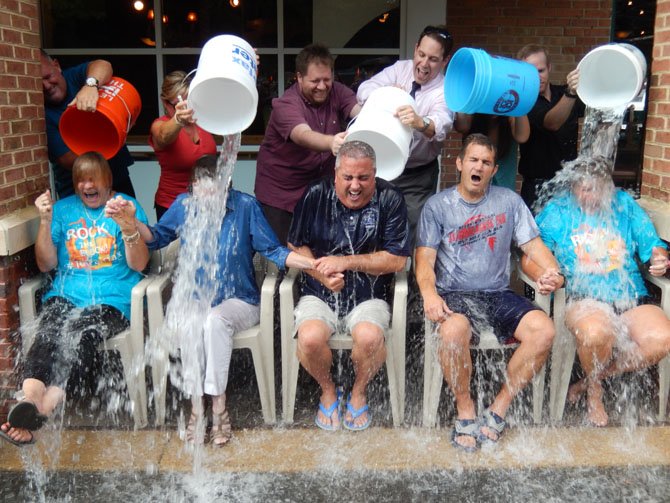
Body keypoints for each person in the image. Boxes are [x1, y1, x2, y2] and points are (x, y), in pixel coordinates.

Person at [109, 155, 315, 446]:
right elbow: (155, 238)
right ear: (192, 186)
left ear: (227, 184)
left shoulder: (245, 207)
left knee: (214, 319)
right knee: (195, 320)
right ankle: (196, 408)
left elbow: (274, 250)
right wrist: (130, 224)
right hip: (195, 301)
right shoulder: (184, 206)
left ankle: (218, 405)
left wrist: (314, 265)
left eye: (213, 188)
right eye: (199, 187)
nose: (205, 195)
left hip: (239, 300)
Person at [415, 134, 561, 452]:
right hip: (454, 294)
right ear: (459, 163)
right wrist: (429, 294)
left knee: (544, 331)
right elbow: (424, 260)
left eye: (486, 162)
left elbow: (533, 245)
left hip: (497, 293)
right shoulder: (437, 206)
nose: (478, 166)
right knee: (452, 332)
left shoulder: (509, 201)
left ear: (494, 170)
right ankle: (465, 407)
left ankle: (499, 408)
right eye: (473, 160)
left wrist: (554, 272)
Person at [0, 152, 149, 447]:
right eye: (81, 179)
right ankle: (30, 398)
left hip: (112, 298)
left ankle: (46, 405)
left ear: (108, 182)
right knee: (48, 330)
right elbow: (44, 265)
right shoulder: (63, 210)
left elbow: (140, 264)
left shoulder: (125, 206)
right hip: (65, 295)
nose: (87, 185)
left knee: (85, 337)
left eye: (94, 179)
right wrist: (45, 220)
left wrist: (127, 226)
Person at [534, 155, 670, 427]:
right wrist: (545, 274)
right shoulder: (557, 211)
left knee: (662, 340)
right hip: (583, 300)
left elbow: (653, 246)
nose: (593, 196)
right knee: (597, 333)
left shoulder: (625, 205)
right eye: (585, 189)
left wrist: (659, 259)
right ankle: (594, 393)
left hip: (630, 297)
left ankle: (587, 381)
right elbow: (536, 251)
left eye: (599, 188)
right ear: (573, 188)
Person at [288, 140, 410, 431]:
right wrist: (320, 274)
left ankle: (358, 391)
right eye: (348, 177)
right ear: (336, 173)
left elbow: (396, 260)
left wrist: (346, 262)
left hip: (369, 295)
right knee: (309, 339)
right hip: (318, 291)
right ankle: (328, 389)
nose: (355, 186)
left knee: (369, 338)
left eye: (364, 178)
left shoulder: (390, 198)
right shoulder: (316, 194)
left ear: (375, 174)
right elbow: (295, 243)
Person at [356, 25, 455, 246]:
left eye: (433, 59)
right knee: (376, 225)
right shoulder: (400, 69)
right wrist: (385, 94)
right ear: (416, 48)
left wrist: (421, 122)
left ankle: (409, 280)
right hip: (382, 165)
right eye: (421, 55)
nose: (423, 64)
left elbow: (442, 125)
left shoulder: (445, 89)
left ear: (445, 60)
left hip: (417, 176)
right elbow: (363, 90)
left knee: (413, 231)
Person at [254, 43, 362, 244]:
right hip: (281, 195)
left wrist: (383, 109)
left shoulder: (337, 92)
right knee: (282, 257)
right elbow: (302, 134)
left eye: (326, 79)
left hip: (320, 192)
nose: (322, 86)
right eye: (315, 81)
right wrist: (331, 142)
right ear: (299, 77)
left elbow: (360, 112)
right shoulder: (286, 103)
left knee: (318, 255)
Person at [40, 50, 136, 199]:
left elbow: (104, 65)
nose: (46, 86)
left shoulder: (73, 76)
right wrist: (112, 135)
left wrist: (90, 86)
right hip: (78, 192)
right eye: (38, 82)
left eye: (48, 77)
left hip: (116, 178)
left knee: (128, 220)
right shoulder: (42, 112)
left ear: (56, 66)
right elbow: (70, 160)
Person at [516, 44, 584, 211]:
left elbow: (597, 103)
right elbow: (551, 122)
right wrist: (571, 93)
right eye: (530, 73)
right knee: (535, 236)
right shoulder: (524, 101)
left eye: (540, 71)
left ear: (549, 68)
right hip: (537, 187)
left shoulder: (563, 93)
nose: (537, 77)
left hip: (569, 183)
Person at [149, 71, 217, 220]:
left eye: (190, 102)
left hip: (206, 204)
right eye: (179, 105)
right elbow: (163, 136)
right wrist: (177, 120)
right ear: (165, 103)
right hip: (172, 206)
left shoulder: (202, 121)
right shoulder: (159, 125)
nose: (186, 109)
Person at [455, 113, 530, 190]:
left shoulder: (511, 115)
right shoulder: (473, 111)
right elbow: (461, 126)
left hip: (503, 190)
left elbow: (522, 137)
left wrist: (518, 105)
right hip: (473, 189)